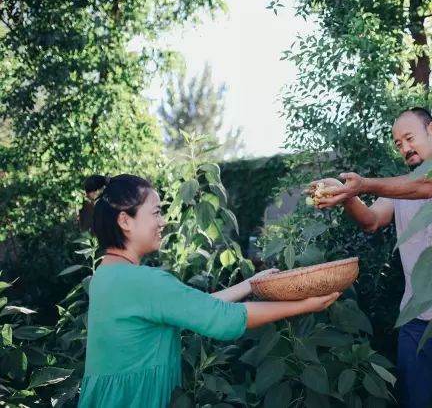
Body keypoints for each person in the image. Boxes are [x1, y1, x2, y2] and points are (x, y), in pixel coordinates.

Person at [78, 174, 340, 408]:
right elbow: (221, 319)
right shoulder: (142, 281)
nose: (164, 221)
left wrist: (250, 283)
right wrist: (304, 305)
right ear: (125, 220)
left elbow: (195, 307)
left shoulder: (106, 275)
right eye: (156, 212)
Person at [309, 107, 432, 407]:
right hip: (417, 322)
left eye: (408, 138)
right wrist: (345, 194)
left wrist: (364, 184)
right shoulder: (400, 187)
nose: (404, 148)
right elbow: (371, 220)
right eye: (398, 144)